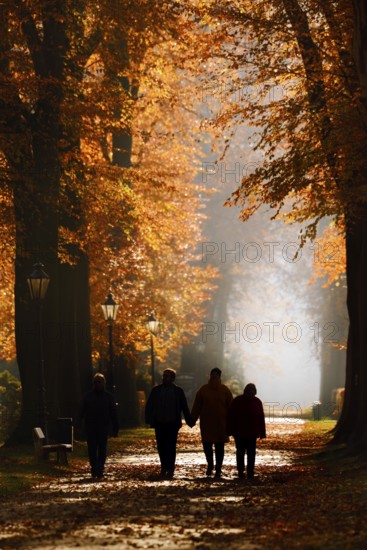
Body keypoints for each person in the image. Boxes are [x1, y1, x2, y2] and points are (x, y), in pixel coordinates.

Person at [145, 368, 194, 479]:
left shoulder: (178, 391)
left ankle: (170, 468)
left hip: (172, 423)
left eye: (167, 376)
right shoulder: (156, 390)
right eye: (164, 375)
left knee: (171, 447)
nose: (164, 378)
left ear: (172, 378)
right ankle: (164, 467)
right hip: (160, 423)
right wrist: (148, 419)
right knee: (161, 447)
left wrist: (189, 420)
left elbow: (184, 407)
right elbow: (149, 405)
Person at [191, 367, 233, 478]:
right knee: (207, 445)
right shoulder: (203, 390)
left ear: (219, 376)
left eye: (216, 375)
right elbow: (197, 406)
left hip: (221, 423)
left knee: (219, 446)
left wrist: (232, 421)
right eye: (212, 374)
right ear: (210, 376)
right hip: (207, 422)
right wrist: (192, 419)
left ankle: (218, 467)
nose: (214, 376)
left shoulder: (225, 390)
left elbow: (231, 407)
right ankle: (210, 464)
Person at [80, 372, 119, 479]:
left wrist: (115, 427)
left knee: (102, 449)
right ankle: (94, 467)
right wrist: (79, 424)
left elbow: (113, 413)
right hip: (91, 427)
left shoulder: (108, 397)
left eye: (99, 382)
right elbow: (82, 411)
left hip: (103, 427)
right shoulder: (87, 397)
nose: (97, 384)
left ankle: (100, 468)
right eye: (95, 382)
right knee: (92, 449)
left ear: (104, 383)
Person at [227, 382, 266, 479]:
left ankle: (248, 472)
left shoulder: (256, 402)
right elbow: (231, 416)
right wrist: (229, 429)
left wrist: (262, 432)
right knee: (242, 452)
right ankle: (242, 471)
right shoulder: (238, 401)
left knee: (249, 452)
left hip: (250, 433)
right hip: (240, 432)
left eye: (252, 391)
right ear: (246, 391)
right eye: (249, 391)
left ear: (255, 392)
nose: (251, 393)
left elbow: (261, 418)